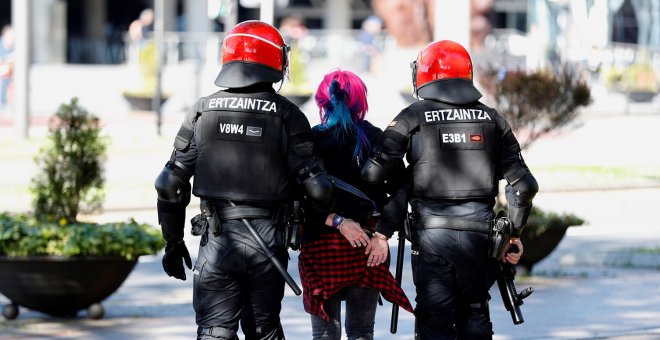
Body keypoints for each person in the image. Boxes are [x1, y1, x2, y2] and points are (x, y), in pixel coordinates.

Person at [155, 20, 334, 340]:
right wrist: (307, 230)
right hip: (268, 243)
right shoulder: (288, 114)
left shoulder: (201, 110)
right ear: (276, 59)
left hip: (217, 239)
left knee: (214, 331)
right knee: (263, 330)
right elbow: (319, 189)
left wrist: (173, 241)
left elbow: (169, 183)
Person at [361, 40, 539, 339]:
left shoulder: (413, 116)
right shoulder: (493, 119)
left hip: (431, 238)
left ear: (424, 74)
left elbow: (373, 173)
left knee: (434, 321)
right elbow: (523, 186)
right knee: (476, 313)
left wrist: (390, 214)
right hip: (481, 240)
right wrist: (515, 235)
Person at [298, 69, 413, 340]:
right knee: (361, 333)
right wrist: (383, 235)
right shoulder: (376, 139)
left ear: (321, 102)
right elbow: (401, 189)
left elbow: (291, 195)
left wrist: (336, 221)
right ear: (361, 102)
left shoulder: (310, 143)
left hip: (320, 248)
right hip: (367, 247)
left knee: (325, 336)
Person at [0, 24, 15, 115]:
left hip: (8, 72)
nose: (13, 40)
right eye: (11, 37)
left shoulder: (14, 47)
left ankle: (10, 104)